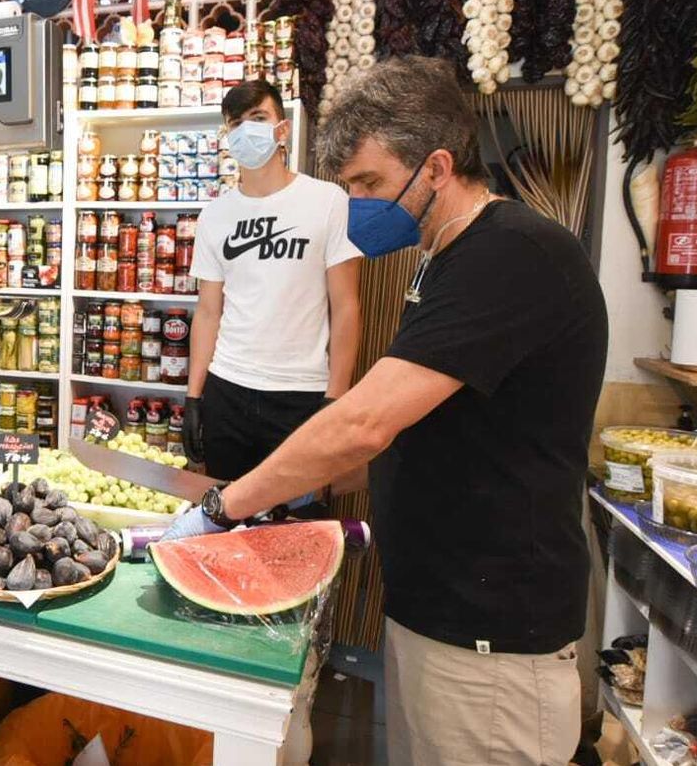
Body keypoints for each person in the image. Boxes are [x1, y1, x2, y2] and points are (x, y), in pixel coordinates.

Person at [164, 57, 609, 766]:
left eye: (369, 183)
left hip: (489, 637)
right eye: (348, 187)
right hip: (443, 613)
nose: (356, 203)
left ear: (436, 167)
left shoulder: (513, 256)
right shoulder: (447, 260)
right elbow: (432, 425)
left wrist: (221, 508)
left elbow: (367, 420)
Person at [186, 80, 362, 493]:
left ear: (281, 129)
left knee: (297, 528)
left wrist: (335, 400)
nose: (247, 130)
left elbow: (347, 306)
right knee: (224, 527)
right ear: (227, 138)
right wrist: (195, 397)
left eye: (258, 119)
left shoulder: (328, 201)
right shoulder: (214, 216)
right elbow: (209, 311)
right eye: (236, 124)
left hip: (301, 396)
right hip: (226, 390)